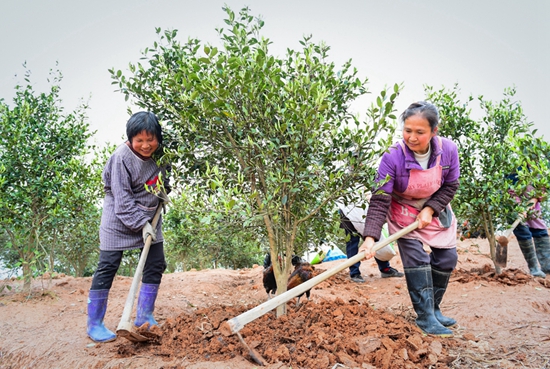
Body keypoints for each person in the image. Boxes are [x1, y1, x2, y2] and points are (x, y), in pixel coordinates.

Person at [358, 101, 460, 337]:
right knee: (416, 259)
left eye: (419, 132)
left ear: (434, 131)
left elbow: (451, 185)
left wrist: (431, 209)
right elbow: (380, 198)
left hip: (434, 208)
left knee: (447, 258)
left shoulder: (449, 150)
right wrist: (370, 237)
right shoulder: (392, 157)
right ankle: (425, 317)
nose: (412, 137)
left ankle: (434, 309)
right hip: (403, 211)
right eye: (407, 130)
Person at [86, 111, 170, 342]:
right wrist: (141, 224)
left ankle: (144, 316)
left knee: (156, 262)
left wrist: (163, 195)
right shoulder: (121, 157)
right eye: (139, 140)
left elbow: (163, 180)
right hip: (119, 218)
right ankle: (94, 324)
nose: (145, 145)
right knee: (108, 265)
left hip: (150, 216)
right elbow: (122, 200)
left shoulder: (162, 155)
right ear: (130, 139)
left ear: (158, 138)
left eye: (150, 139)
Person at [338, 202, 404, 283]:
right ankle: (354, 273)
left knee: (375, 237)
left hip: (366, 209)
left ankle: (385, 268)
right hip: (347, 211)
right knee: (352, 242)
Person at [509, 182, 550, 277]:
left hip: (532, 199)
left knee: (539, 229)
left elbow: (545, 184)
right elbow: (508, 189)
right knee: (522, 230)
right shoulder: (512, 172)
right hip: (515, 202)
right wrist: (518, 207)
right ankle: (534, 269)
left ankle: (547, 266)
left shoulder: (538, 170)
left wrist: (536, 198)